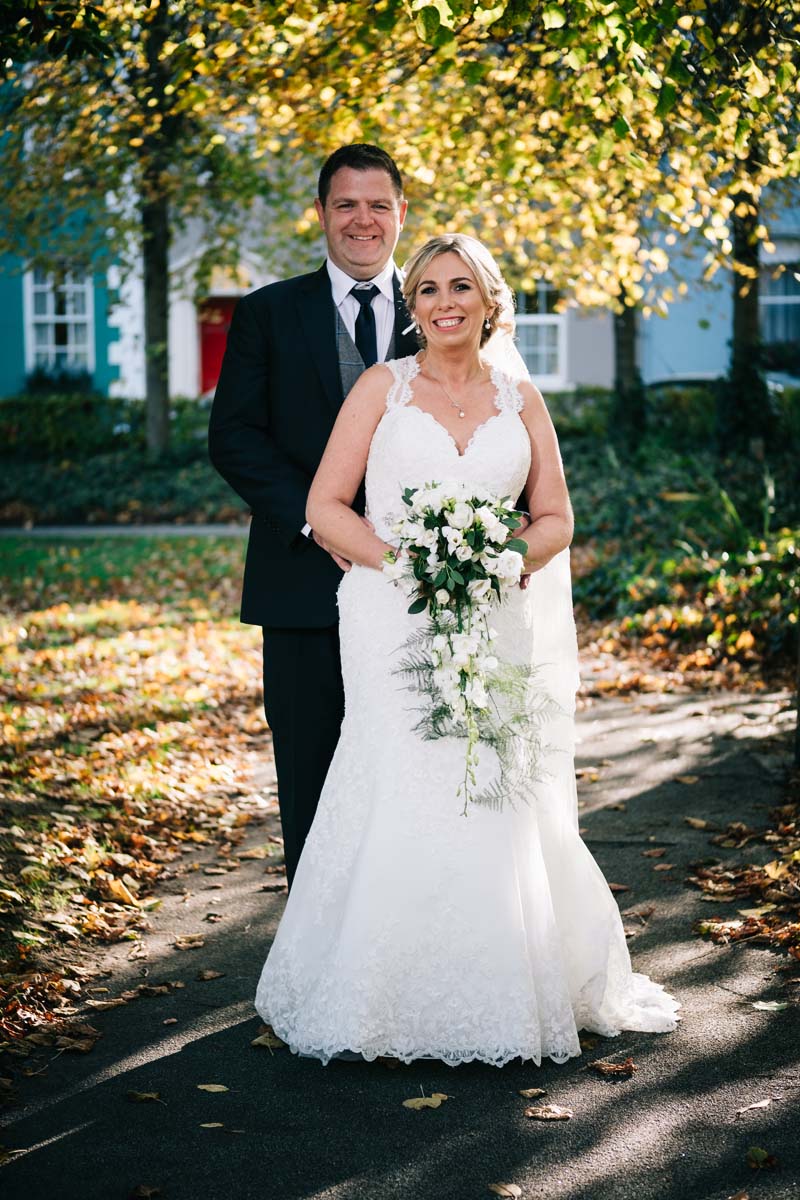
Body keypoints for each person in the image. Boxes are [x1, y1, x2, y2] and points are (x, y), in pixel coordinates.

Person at [255, 233, 680, 1067]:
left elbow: (555, 515)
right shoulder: (383, 387)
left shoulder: (521, 397)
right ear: (411, 308)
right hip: (389, 616)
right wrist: (408, 562)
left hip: (493, 615)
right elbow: (327, 504)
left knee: (489, 782)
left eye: (460, 288)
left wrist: (507, 556)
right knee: (399, 773)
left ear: (489, 300)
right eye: (427, 291)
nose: (444, 303)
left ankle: (505, 980)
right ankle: (371, 985)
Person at [208, 144, 419, 888]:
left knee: (419, 766)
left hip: (420, 591)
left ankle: (408, 929)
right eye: (345, 204)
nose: (363, 219)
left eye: (378, 204)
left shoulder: (444, 309)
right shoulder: (268, 312)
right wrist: (321, 522)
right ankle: (315, 943)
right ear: (322, 214)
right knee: (308, 768)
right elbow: (233, 436)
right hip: (300, 585)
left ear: (401, 212)